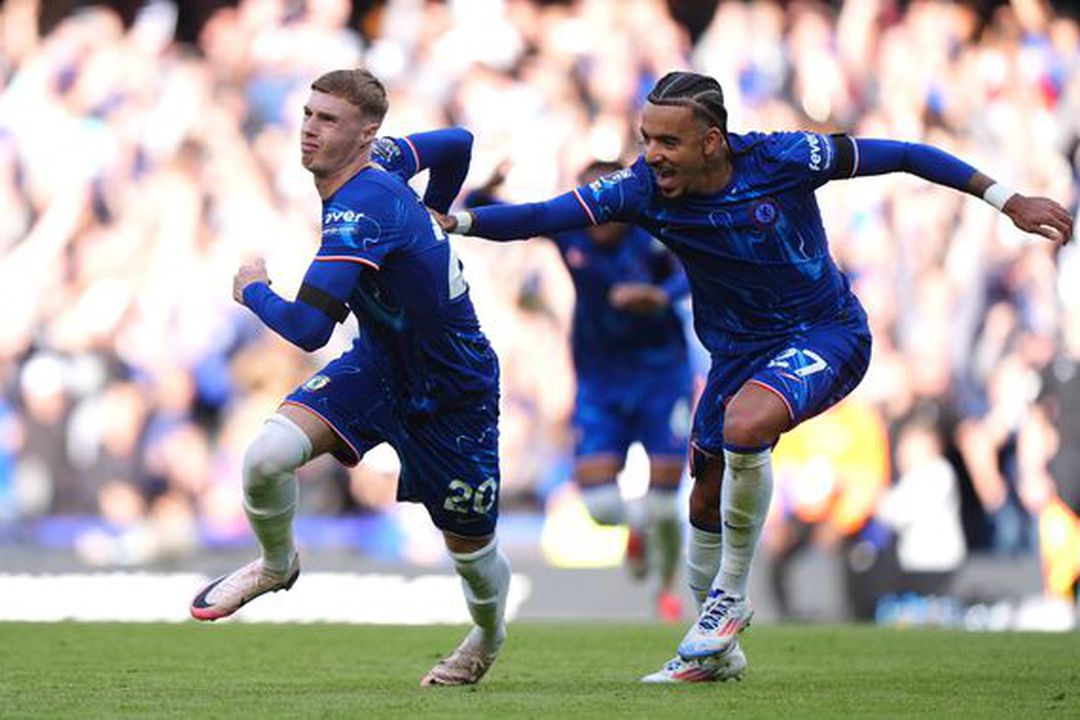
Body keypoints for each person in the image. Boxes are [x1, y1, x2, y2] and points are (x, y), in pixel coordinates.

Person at [434, 70, 1073, 682]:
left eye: (668, 141)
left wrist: (1007, 199)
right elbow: (544, 215)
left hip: (825, 334)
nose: (652, 155)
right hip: (737, 357)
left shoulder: (784, 158)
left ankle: (731, 600)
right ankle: (713, 651)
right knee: (703, 499)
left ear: (712, 141)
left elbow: (906, 154)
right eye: (646, 139)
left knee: (745, 425)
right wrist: (457, 221)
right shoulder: (640, 189)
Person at [189, 68, 511, 688]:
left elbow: (309, 328)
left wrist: (253, 290)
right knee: (266, 457)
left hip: (452, 389)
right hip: (377, 366)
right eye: (308, 114)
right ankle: (276, 564)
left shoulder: (360, 211)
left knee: (472, 555)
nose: (310, 130)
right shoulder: (384, 159)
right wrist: (439, 206)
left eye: (328, 120)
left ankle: (487, 636)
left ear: (364, 133)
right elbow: (458, 143)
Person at [465, 159, 693, 621]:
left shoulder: (654, 230)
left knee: (666, 504)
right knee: (602, 507)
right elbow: (501, 215)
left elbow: (696, 269)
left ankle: (666, 591)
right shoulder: (571, 231)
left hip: (662, 376)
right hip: (599, 380)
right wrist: (480, 192)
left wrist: (661, 296)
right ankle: (637, 528)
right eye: (591, 201)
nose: (599, 212)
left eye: (609, 201)